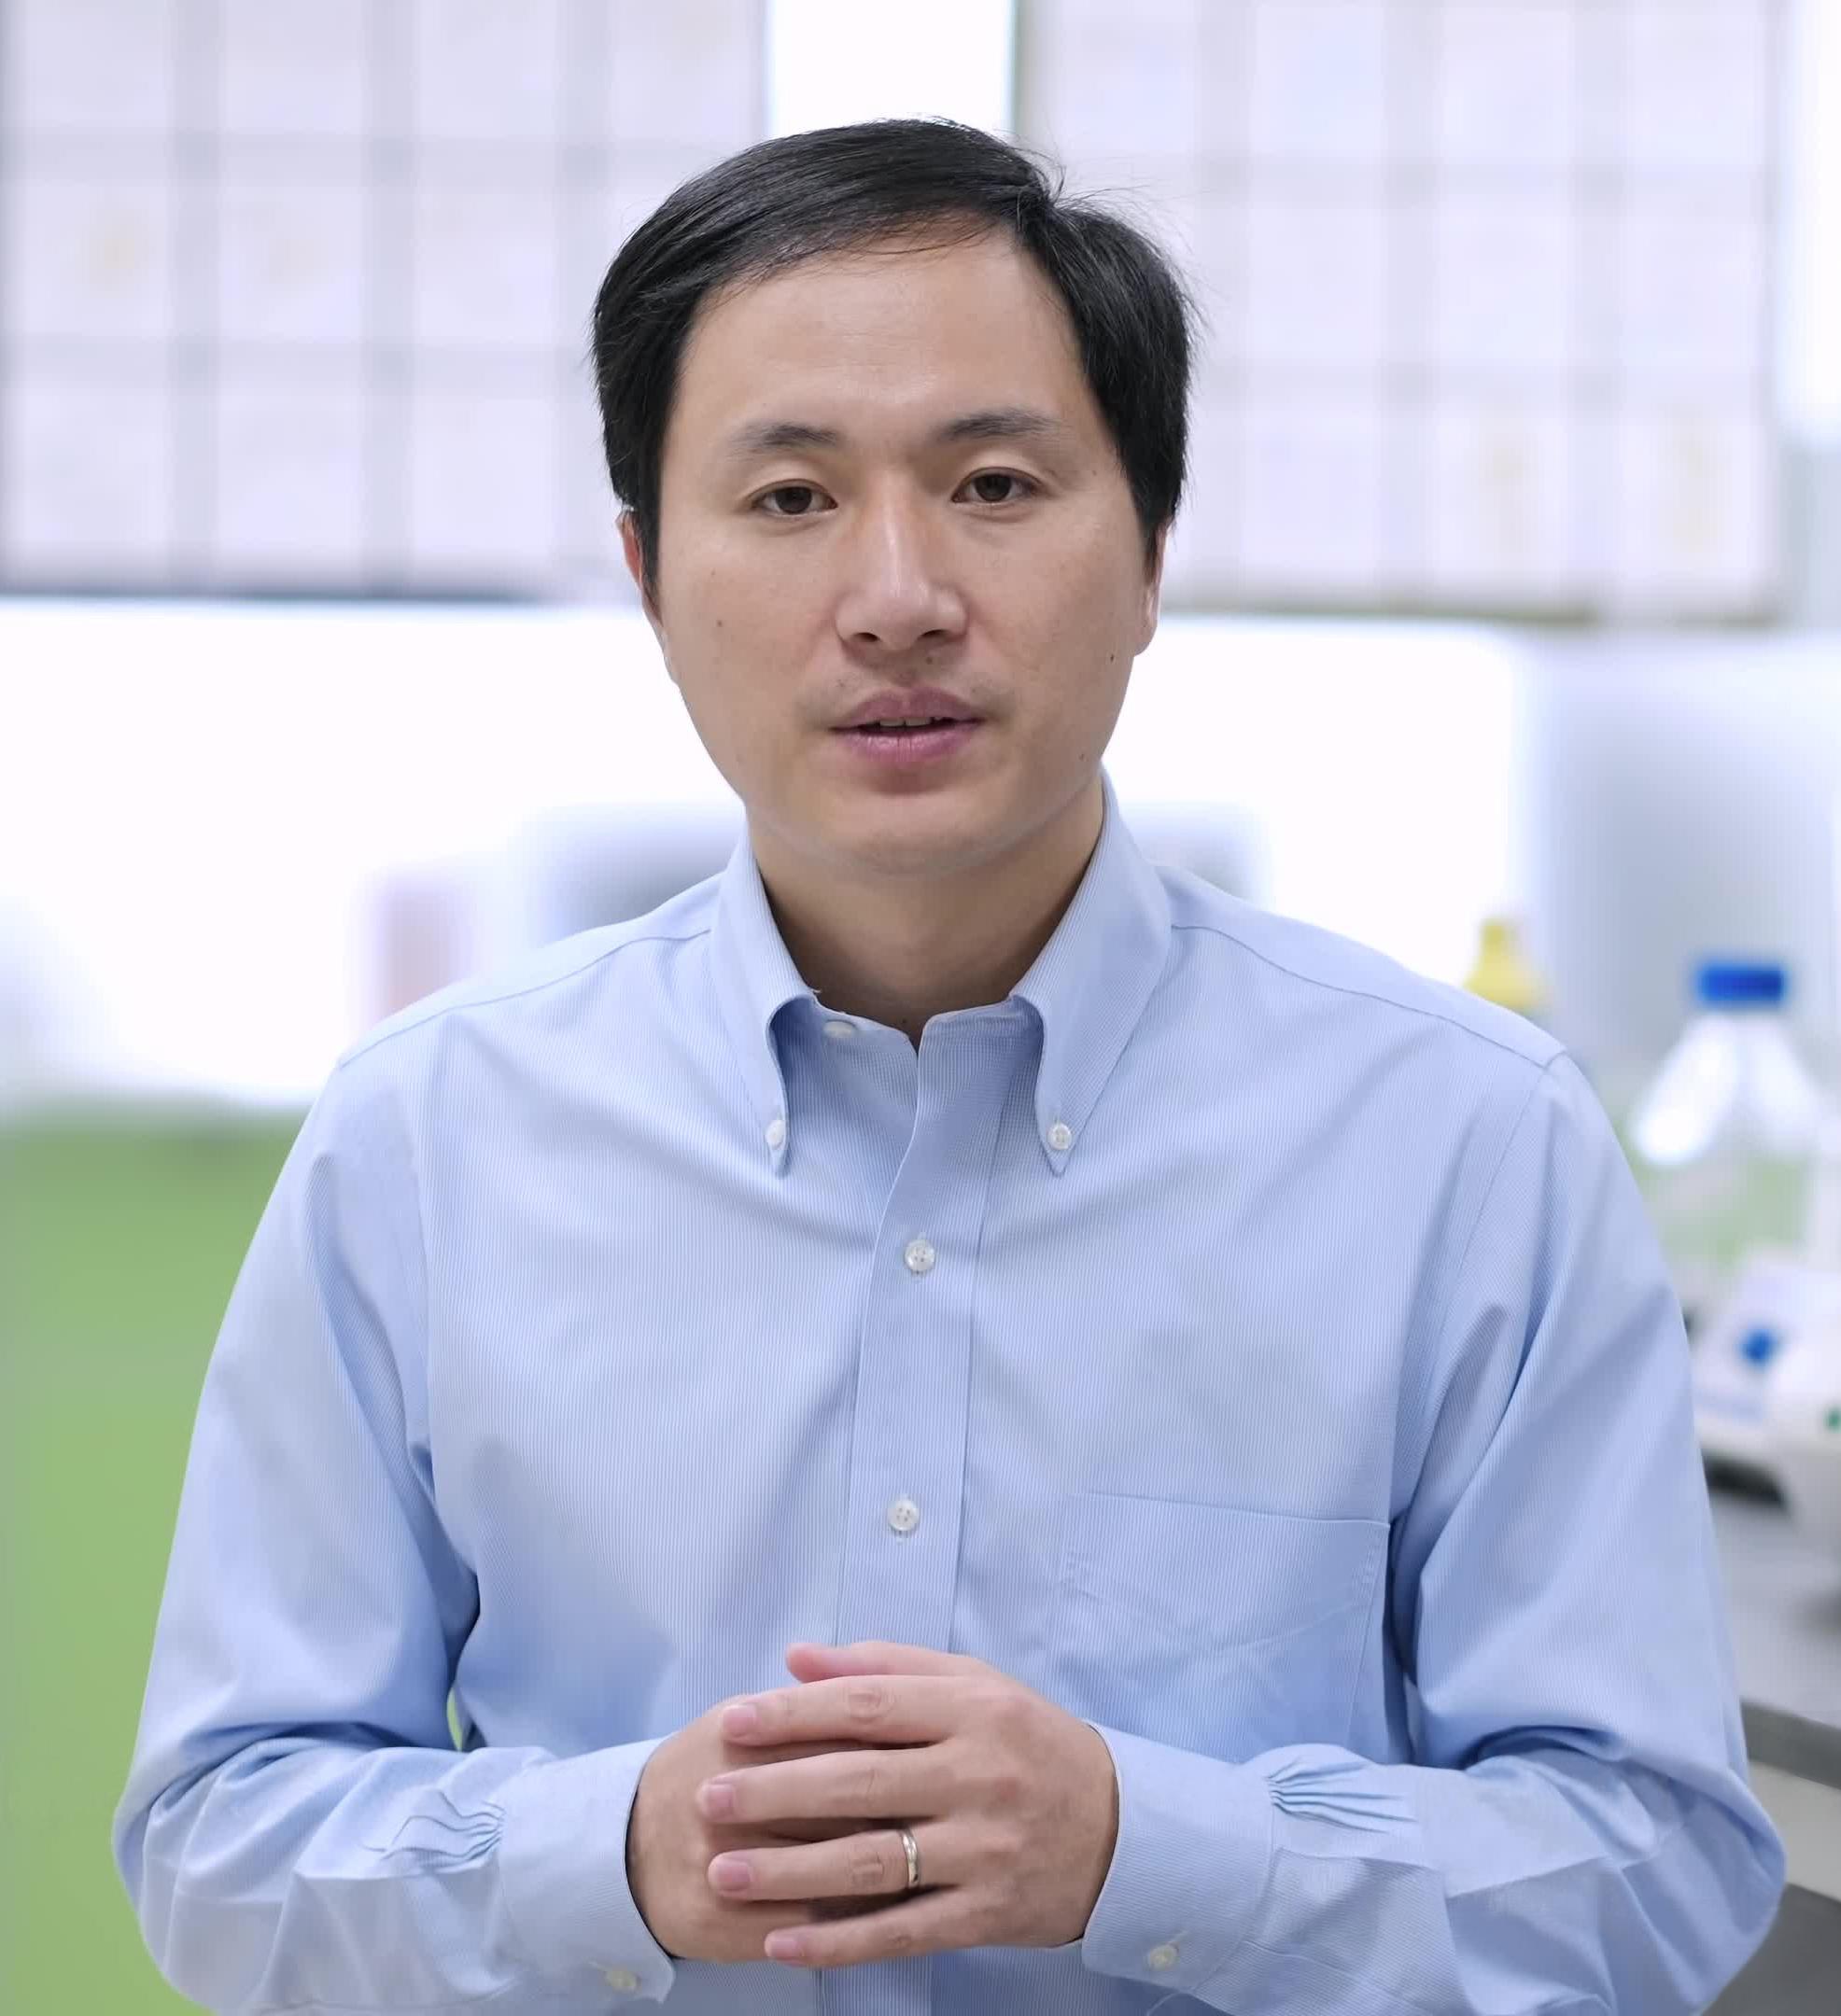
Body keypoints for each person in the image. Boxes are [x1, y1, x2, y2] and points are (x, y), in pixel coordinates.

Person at [113, 119, 1784, 2014]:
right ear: (650, 578)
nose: (897, 592)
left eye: (992, 483)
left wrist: (1142, 1851)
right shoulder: (422, 1138)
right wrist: (611, 1860)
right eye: (790, 498)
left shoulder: (1463, 1142)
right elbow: (222, 1846)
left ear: (1148, 550)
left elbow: (1655, 1871)